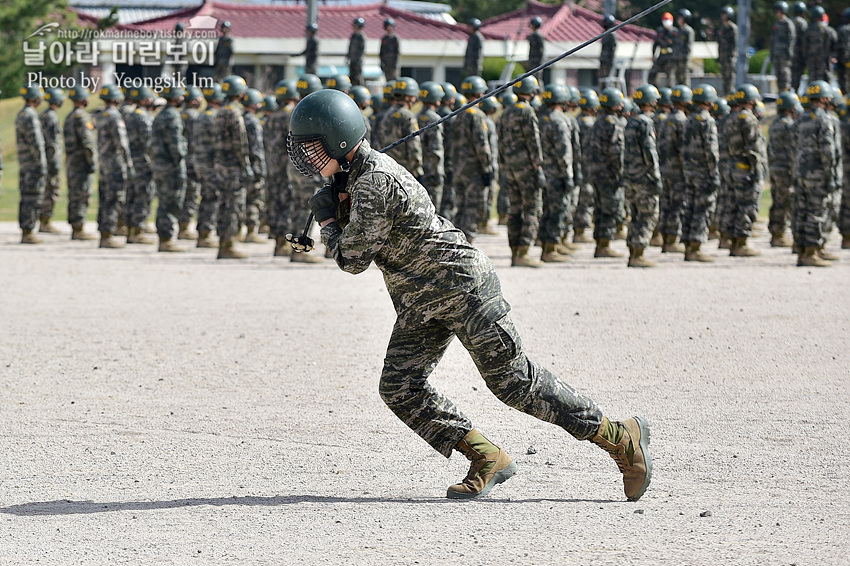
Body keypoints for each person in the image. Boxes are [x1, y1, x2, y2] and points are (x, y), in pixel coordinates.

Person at [287, 88, 652, 502]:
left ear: (339, 139)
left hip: (462, 289)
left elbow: (352, 259)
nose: (306, 159)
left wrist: (330, 222)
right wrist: (336, 203)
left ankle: (620, 437)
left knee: (515, 383)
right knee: (399, 386)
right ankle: (485, 457)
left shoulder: (374, 182)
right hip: (422, 301)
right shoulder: (352, 177)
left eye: (312, 149)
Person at [499, 76, 543, 266]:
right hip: (526, 169)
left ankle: (514, 251)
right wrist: (538, 166)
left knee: (514, 209)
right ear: (532, 92)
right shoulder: (528, 112)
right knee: (531, 208)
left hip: (510, 168)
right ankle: (524, 252)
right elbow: (533, 142)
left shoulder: (507, 112)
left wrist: (503, 163)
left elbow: (500, 142)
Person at [794, 81, 838, 267]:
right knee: (817, 212)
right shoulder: (824, 119)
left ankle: (803, 251)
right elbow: (828, 151)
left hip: (802, 173)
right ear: (825, 98)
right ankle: (811, 253)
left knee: (802, 211)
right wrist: (831, 175)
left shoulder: (802, 118)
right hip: (818, 174)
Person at [622, 85, 662, 267]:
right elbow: (649, 151)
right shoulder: (645, 122)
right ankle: (638, 254)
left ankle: (633, 252)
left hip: (631, 176)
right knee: (647, 214)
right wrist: (655, 176)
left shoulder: (631, 120)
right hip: (644, 177)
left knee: (635, 214)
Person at [724, 83, 765, 257]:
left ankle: (733, 241)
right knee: (747, 205)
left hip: (733, 165)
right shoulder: (748, 119)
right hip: (746, 167)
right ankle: (742, 243)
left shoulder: (731, 117)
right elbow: (754, 147)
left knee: (734, 204)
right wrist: (758, 168)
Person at [681, 84, 721, 262]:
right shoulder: (707, 120)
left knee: (689, 207)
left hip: (689, 171)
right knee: (702, 208)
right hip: (704, 172)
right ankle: (696, 247)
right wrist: (714, 173)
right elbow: (711, 150)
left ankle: (688, 245)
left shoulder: (688, 119)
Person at [214, 75, 252, 259]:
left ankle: (223, 242)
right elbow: (240, 143)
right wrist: (246, 165)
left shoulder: (220, 111)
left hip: (220, 166)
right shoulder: (234, 113)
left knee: (223, 204)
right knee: (233, 206)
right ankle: (228, 245)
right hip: (233, 168)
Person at [453, 75, 493, 243]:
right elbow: (481, 144)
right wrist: (487, 168)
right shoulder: (477, 115)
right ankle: (467, 243)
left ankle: (457, 241)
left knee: (460, 207)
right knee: (472, 207)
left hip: (459, 167)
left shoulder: (459, 113)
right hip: (474, 169)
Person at [537, 84, 574, 263]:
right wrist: (568, 174)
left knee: (546, 210)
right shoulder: (559, 120)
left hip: (543, 172)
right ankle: (550, 248)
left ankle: (547, 245)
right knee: (558, 210)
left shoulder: (539, 118)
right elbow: (564, 150)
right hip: (557, 173)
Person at [589, 87, 626, 258]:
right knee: (610, 209)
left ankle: (600, 244)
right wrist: (620, 173)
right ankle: (604, 245)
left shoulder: (598, 122)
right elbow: (616, 152)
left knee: (600, 208)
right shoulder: (614, 124)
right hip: (609, 174)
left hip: (596, 173)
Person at [96, 84, 134, 249]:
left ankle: (104, 232)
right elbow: (122, 143)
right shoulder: (114, 116)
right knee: (114, 198)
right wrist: (128, 162)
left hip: (104, 162)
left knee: (105, 197)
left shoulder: (100, 115)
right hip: (114, 163)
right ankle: (108, 235)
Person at [151, 85, 188, 253]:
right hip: (170, 166)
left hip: (159, 164)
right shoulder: (172, 116)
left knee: (164, 202)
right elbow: (175, 145)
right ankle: (166, 239)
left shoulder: (160, 115)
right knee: (171, 202)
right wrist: (181, 156)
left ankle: (164, 238)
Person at [266, 79, 299, 257]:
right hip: (287, 166)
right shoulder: (290, 115)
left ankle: (279, 242)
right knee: (287, 203)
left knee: (276, 203)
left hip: (273, 166)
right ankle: (285, 243)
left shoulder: (272, 116)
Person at [656, 85, 691, 253]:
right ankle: (671, 240)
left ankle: (664, 239)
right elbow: (684, 148)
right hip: (678, 170)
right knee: (677, 205)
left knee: (666, 204)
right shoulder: (681, 121)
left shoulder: (666, 119)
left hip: (665, 169)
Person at [63, 87, 98, 241]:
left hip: (71, 162)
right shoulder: (82, 117)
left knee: (74, 195)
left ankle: (75, 227)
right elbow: (87, 142)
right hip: (81, 163)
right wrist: (91, 161)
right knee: (82, 195)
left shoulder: (70, 116)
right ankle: (79, 229)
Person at [124, 86, 156, 245]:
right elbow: (148, 142)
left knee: (131, 195)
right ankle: (137, 231)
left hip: (131, 161)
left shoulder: (129, 115)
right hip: (142, 162)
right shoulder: (143, 117)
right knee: (142, 196)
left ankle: (130, 229)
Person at [767, 91, 799, 247]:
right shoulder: (789, 125)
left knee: (778, 200)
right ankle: (787, 236)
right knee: (789, 202)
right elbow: (794, 149)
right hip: (786, 168)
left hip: (774, 167)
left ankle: (776, 233)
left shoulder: (774, 123)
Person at [16, 85, 47, 244]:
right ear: (35, 98)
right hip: (33, 165)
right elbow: (36, 143)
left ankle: (25, 230)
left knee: (25, 196)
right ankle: (28, 231)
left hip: (24, 163)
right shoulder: (31, 116)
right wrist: (42, 165)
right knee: (32, 198)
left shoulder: (21, 114)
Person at [195, 83, 225, 249]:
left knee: (206, 197)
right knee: (212, 198)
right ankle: (205, 234)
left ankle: (203, 233)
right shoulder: (214, 117)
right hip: (211, 164)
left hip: (201, 162)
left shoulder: (201, 115)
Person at [378, 77, 423, 179]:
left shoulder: (387, 114)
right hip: (405, 170)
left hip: (388, 168)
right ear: (409, 97)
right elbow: (414, 146)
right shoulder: (408, 116)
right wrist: (417, 170)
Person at [242, 88, 267, 244]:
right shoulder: (253, 121)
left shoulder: (240, 117)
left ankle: (239, 230)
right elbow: (257, 147)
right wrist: (260, 169)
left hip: (242, 165)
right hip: (253, 164)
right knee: (254, 198)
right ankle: (251, 231)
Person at [573, 88, 599, 243]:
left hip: (578, 164)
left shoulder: (576, 120)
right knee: (586, 198)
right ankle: (580, 231)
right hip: (587, 167)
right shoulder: (589, 124)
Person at [179, 85, 204, 240]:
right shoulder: (195, 117)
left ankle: (182, 225)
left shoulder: (181, 114)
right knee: (192, 194)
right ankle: (184, 227)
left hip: (183, 160)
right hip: (193, 159)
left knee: (184, 193)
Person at [416, 81, 446, 210]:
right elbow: (436, 149)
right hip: (432, 171)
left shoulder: (416, 116)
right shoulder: (434, 119)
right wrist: (438, 173)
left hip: (419, 170)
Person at [39, 87, 64, 234]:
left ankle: (43, 220)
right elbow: (53, 143)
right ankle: (45, 221)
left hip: (44, 159)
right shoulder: (52, 117)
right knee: (51, 190)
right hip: (50, 160)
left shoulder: (43, 115)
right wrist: (54, 163)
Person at [478, 95, 501, 235]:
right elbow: (488, 146)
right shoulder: (488, 122)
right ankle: (483, 223)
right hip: (488, 164)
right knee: (488, 194)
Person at [804, 6, 836, 83]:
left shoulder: (808, 30)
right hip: (825, 60)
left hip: (812, 60)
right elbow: (835, 43)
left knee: (812, 79)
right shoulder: (828, 30)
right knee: (826, 78)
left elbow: (804, 46)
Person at [770, 2, 796, 93]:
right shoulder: (776, 24)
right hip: (776, 53)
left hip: (784, 54)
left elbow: (791, 39)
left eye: (778, 11)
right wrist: (772, 53)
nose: (777, 13)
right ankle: (780, 92)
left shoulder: (788, 24)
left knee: (785, 73)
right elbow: (772, 40)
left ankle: (785, 91)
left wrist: (789, 53)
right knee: (778, 74)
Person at [648, 12, 677, 87]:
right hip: (661, 56)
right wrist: (653, 55)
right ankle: (654, 89)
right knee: (652, 73)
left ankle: (670, 91)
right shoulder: (660, 31)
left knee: (670, 76)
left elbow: (677, 46)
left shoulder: (675, 32)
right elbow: (655, 44)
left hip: (671, 57)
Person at [717, 7, 738, 95]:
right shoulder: (721, 27)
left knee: (730, 76)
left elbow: (734, 44)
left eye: (725, 14)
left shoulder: (732, 28)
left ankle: (730, 94)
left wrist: (732, 56)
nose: (723, 16)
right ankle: (726, 93)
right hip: (722, 56)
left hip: (730, 56)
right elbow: (719, 42)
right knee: (724, 76)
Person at [672, 10, 694, 86]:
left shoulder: (688, 31)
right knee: (677, 78)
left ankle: (686, 94)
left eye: (680, 18)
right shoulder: (678, 31)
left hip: (684, 59)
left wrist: (684, 56)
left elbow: (688, 46)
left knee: (684, 77)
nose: (678, 20)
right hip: (677, 58)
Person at [791, 2, 808, 92]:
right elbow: (804, 40)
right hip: (799, 55)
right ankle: (795, 94)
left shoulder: (790, 21)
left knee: (790, 76)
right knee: (797, 76)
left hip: (790, 55)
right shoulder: (802, 23)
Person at [598, 15, 618, 86]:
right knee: (601, 79)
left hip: (608, 61)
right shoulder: (605, 34)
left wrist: (611, 62)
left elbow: (613, 48)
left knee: (608, 79)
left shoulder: (612, 34)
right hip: (603, 60)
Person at [347, 18, 366, 86]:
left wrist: (358, 59)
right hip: (352, 60)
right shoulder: (353, 35)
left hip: (358, 60)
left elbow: (361, 50)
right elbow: (350, 47)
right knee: (352, 77)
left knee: (358, 77)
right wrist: (348, 57)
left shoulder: (361, 36)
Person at [527, 16, 545, 84]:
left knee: (537, 79)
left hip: (537, 63)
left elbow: (541, 50)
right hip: (532, 62)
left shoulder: (538, 36)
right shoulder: (533, 35)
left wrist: (540, 63)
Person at [837, 9, 850, 94]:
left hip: (844, 59)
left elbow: (845, 45)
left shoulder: (844, 29)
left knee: (844, 79)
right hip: (846, 59)